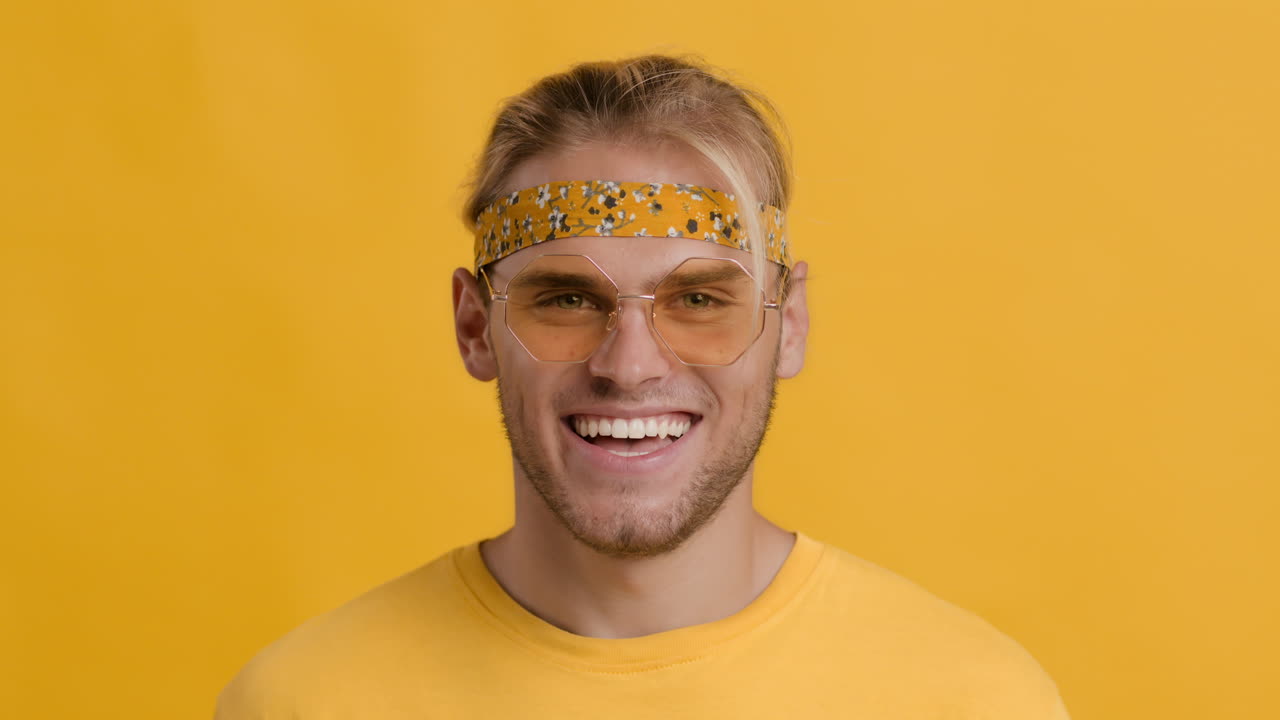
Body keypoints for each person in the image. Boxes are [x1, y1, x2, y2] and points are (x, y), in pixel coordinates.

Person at [215, 54, 1071, 719]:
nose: (629, 365)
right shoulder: (306, 702)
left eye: (699, 299)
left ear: (790, 322)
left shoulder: (969, 701)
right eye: (565, 299)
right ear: (476, 326)